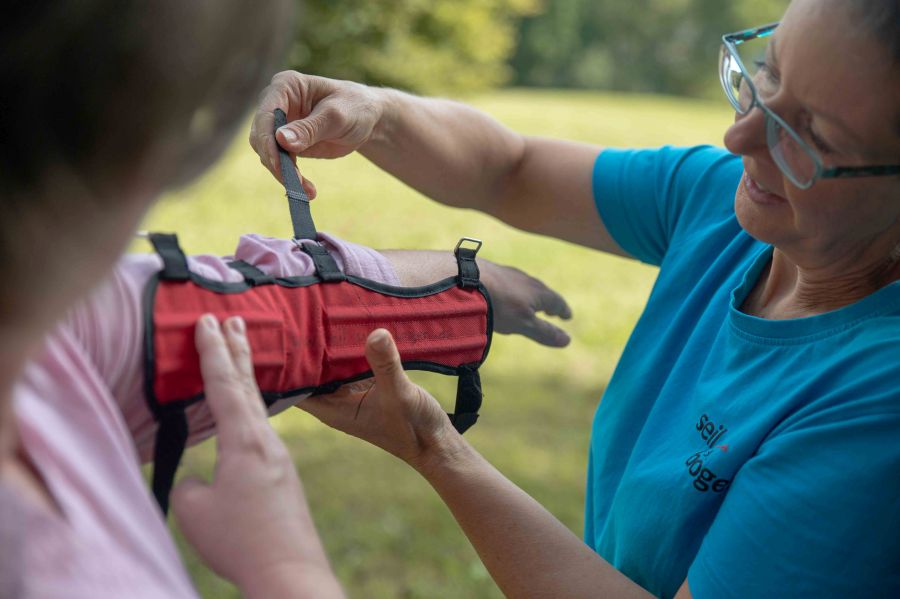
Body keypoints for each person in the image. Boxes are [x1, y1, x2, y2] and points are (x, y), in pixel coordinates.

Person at [250, 0, 900, 597]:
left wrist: (435, 448)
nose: (741, 138)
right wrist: (376, 113)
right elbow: (512, 170)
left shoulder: (877, 405)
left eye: (808, 136)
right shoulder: (719, 204)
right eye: (767, 74)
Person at [0, 2, 570, 597]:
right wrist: (287, 570)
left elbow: (265, 319)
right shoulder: (47, 570)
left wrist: (461, 296)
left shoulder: (49, 332)